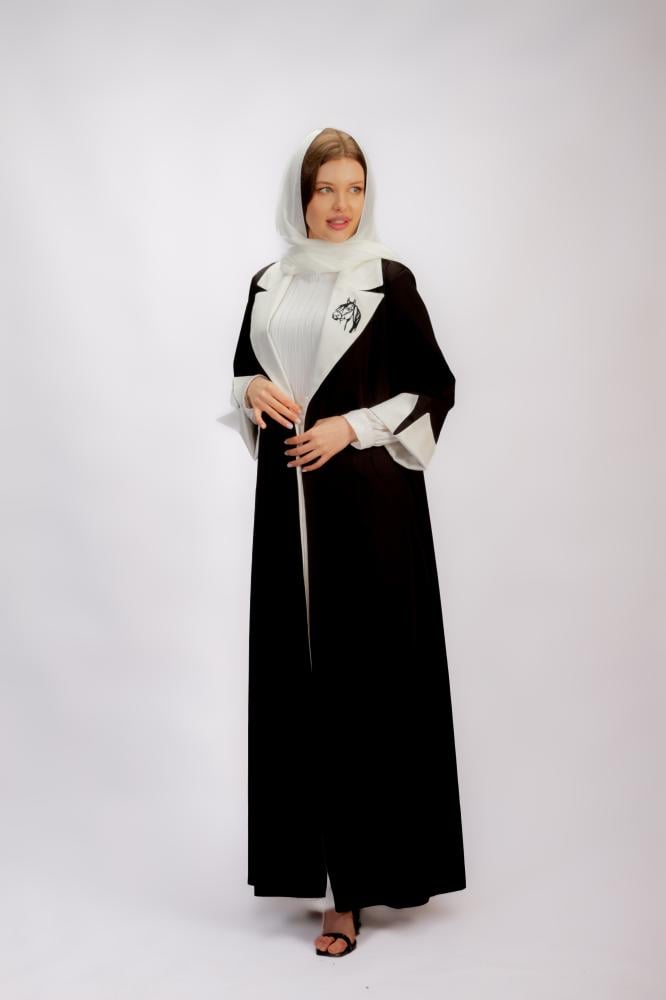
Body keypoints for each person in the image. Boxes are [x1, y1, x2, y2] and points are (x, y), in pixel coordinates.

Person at [228, 127, 466, 957]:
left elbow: (434, 387)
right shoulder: (270, 284)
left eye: (354, 189)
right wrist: (248, 390)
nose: (341, 205)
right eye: (326, 188)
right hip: (287, 507)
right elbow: (247, 369)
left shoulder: (387, 281)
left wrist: (350, 428)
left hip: (369, 511)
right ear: (301, 197)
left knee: (364, 685)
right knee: (299, 683)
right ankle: (318, 866)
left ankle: (352, 891)